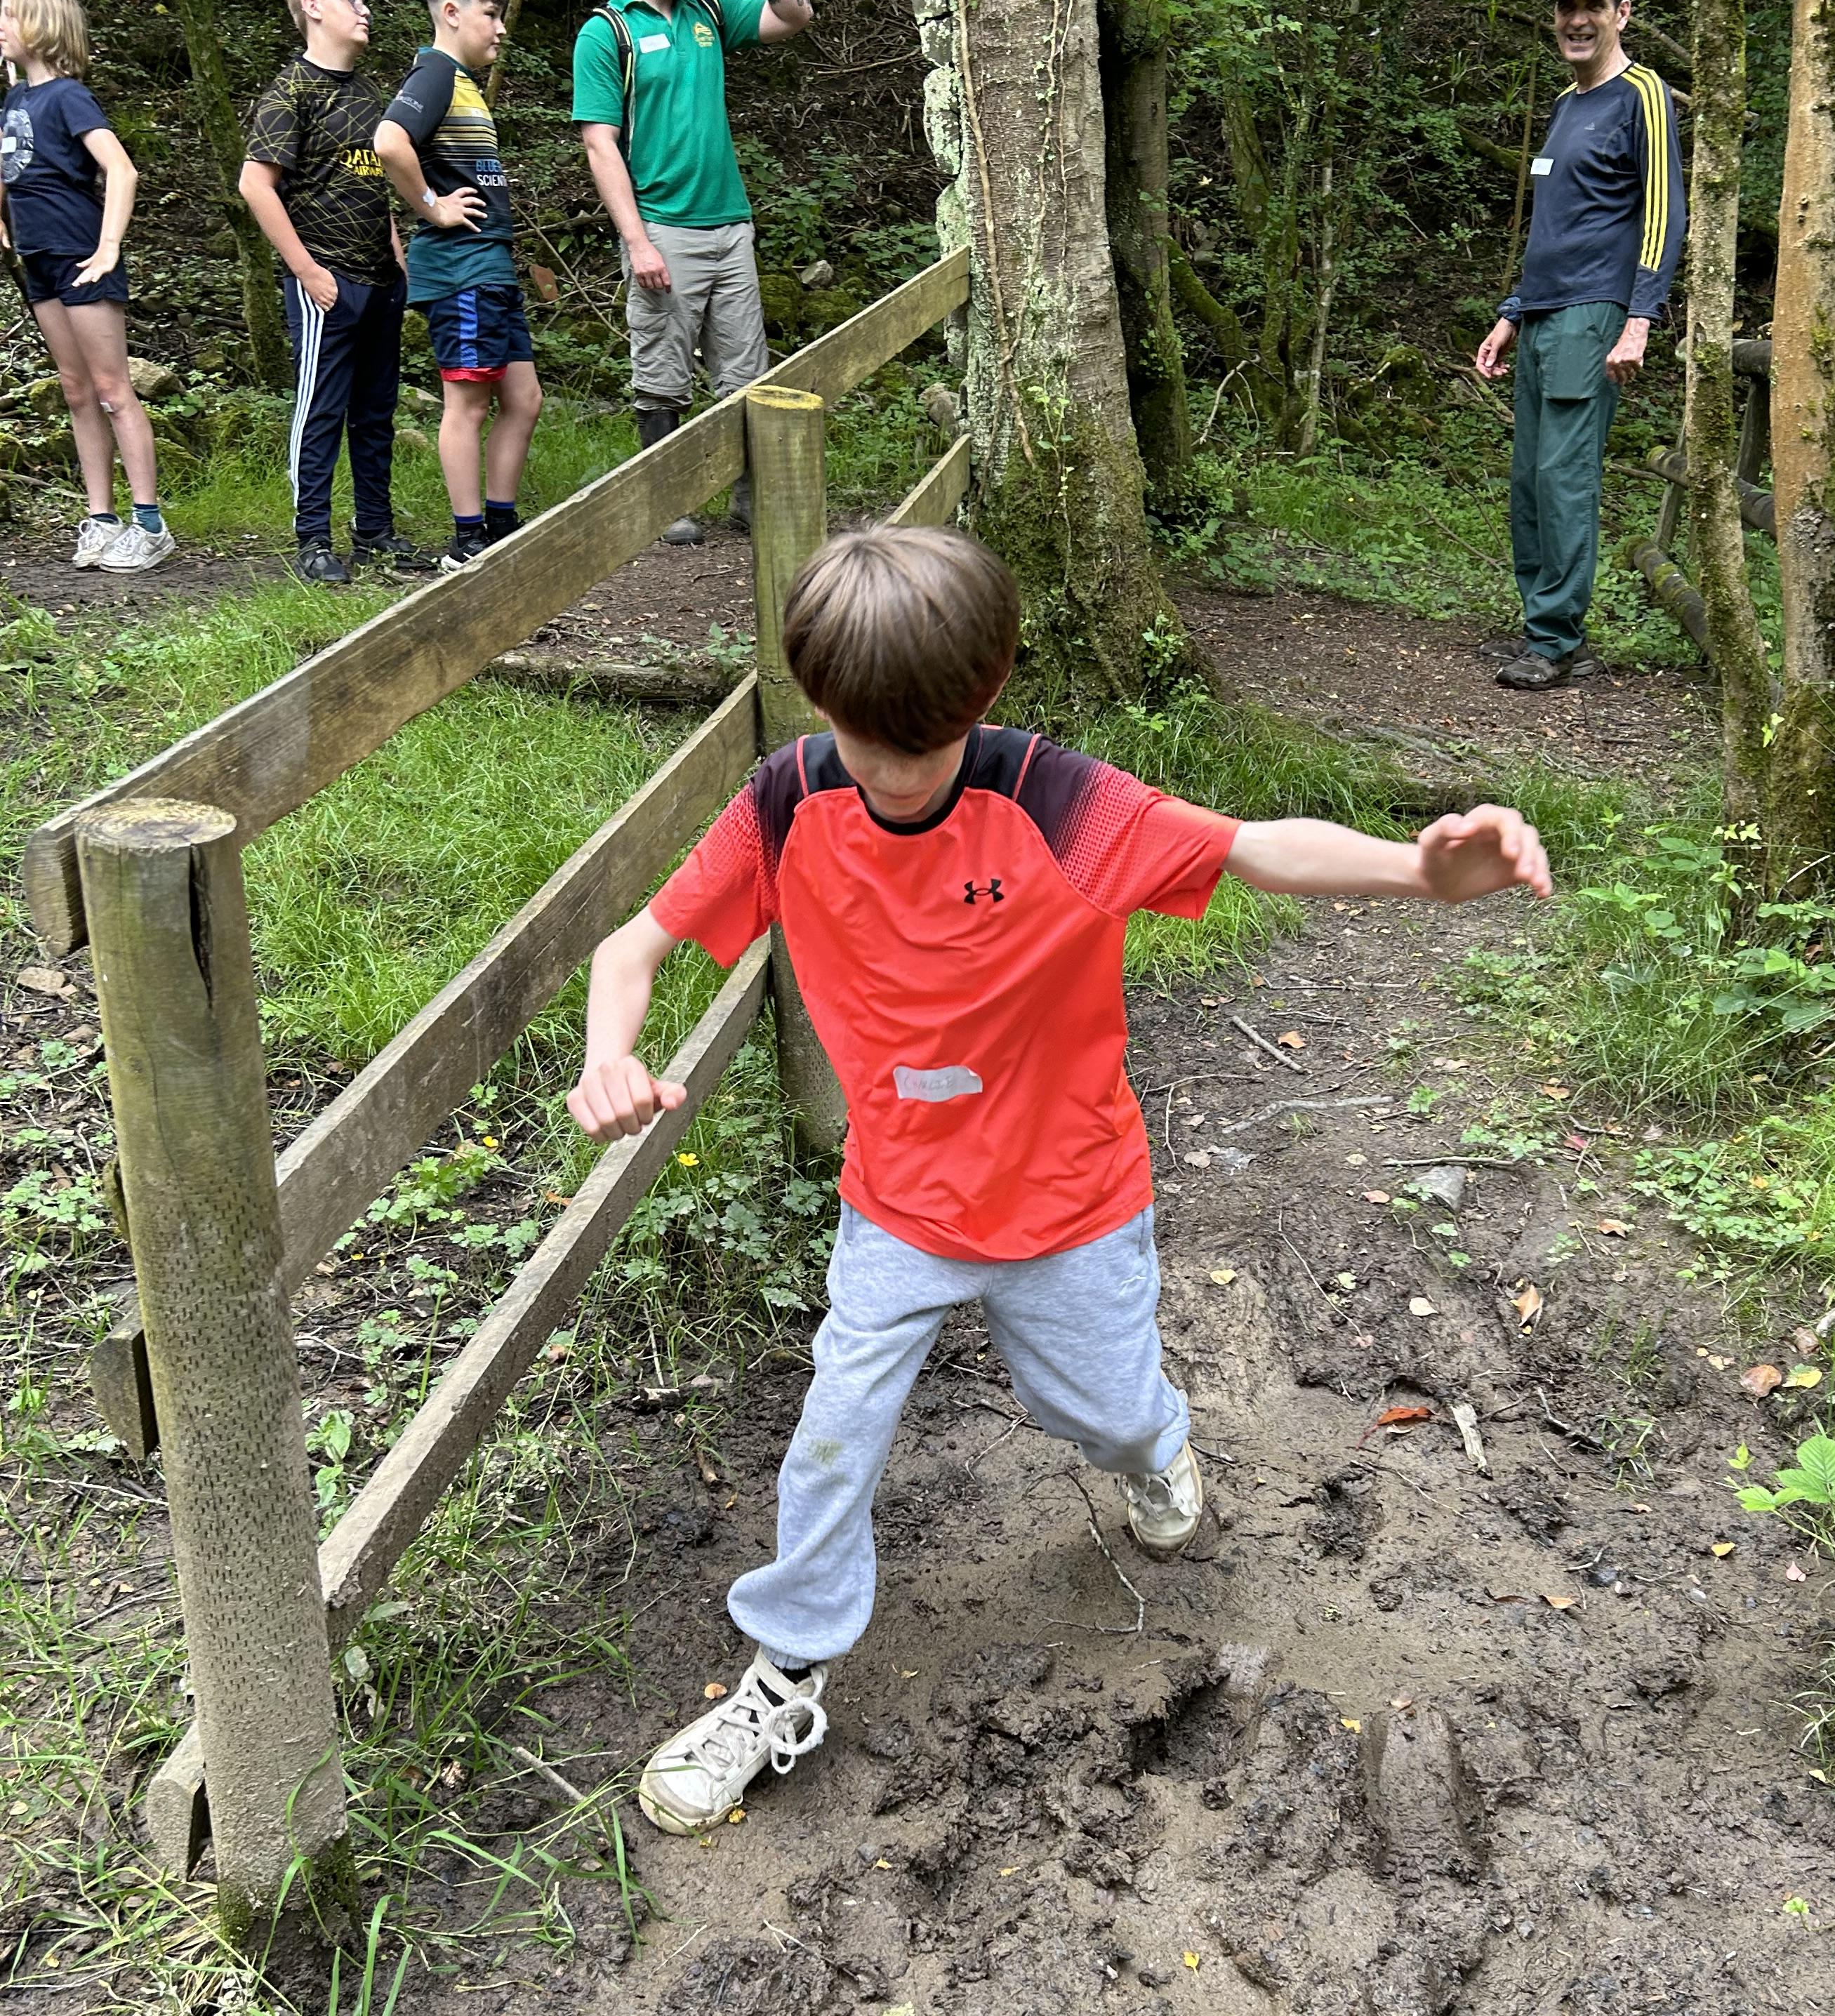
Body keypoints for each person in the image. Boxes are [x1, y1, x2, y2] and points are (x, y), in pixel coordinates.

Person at [567, 525, 1553, 1835]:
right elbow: (630, 949)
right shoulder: (787, 800)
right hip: (897, 1207)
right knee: (830, 1440)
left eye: (920, 749)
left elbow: (1252, 846)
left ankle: (1156, 1456)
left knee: (1105, 1414)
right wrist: (610, 1056)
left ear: (982, 695)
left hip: (1070, 1205)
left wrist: (1422, 875)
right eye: (863, 743)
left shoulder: (1056, 802)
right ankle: (785, 1671)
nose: (889, 776)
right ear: (815, 697)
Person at [572, 0, 814, 543]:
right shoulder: (607, 33)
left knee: (746, 374)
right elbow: (600, 146)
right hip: (663, 227)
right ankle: (667, 501)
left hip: (729, 224)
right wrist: (638, 241)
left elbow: (795, 16)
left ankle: (751, 500)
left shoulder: (708, 12)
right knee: (662, 374)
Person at [1473, 0, 1685, 693]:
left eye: (1593, 6)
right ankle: (1549, 629)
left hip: (1593, 314)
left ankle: (1555, 641)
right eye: (1567, 7)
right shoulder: (1566, 106)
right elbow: (1551, 227)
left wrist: (1639, 320)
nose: (1578, 20)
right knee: (1531, 482)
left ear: (1621, 14)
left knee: (1563, 480)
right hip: (1542, 317)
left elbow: (1664, 214)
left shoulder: (1642, 94)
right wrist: (1512, 313)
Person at [239, 0, 426, 585]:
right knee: (320, 411)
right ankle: (313, 540)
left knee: (375, 414)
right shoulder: (289, 92)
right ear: (313, 7)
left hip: (381, 281)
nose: (365, 10)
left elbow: (373, 184)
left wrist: (398, 257)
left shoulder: (371, 95)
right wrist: (307, 271)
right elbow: (255, 185)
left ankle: (374, 533)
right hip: (326, 284)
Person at [375, 0, 541, 569]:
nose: (501, 28)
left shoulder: (463, 82)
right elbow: (389, 141)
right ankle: (467, 542)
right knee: (467, 404)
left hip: (489, 266)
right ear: (451, 13)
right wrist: (432, 206)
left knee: (524, 399)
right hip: (461, 268)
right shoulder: (436, 75)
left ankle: (500, 524)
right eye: (491, 14)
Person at [0, 0, 173, 572]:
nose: (1, 25)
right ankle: (101, 518)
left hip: (79, 254)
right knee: (75, 390)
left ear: (41, 26)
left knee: (112, 390)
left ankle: (149, 524)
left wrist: (107, 248)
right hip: (39, 261)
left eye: (9, 15)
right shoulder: (14, 99)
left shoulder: (69, 97)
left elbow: (121, 171)